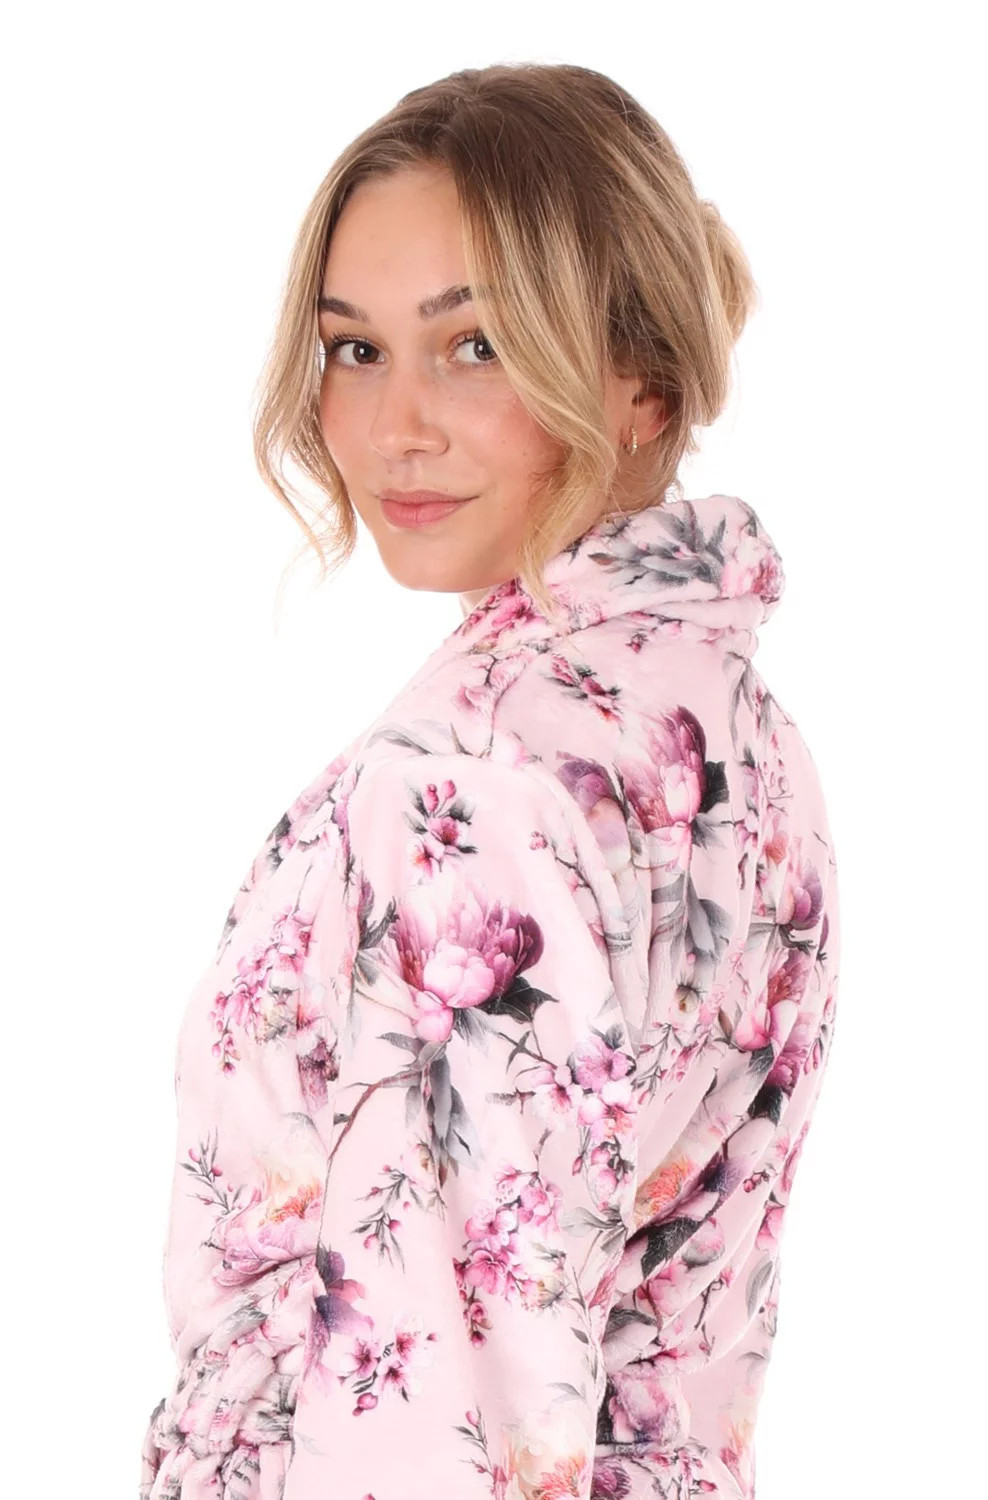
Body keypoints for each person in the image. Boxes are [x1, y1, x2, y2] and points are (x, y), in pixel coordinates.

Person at [139, 61, 840, 1500]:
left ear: (642, 379)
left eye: (475, 347)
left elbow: (427, 1413)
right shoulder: (743, 736)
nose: (395, 425)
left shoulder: (465, 782)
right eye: (355, 349)